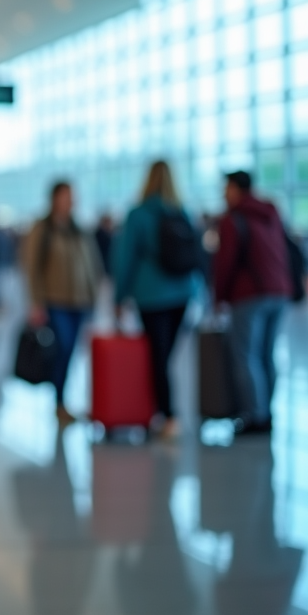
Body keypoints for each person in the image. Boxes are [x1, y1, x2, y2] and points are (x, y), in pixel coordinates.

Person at [112, 161, 196, 440]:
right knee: (167, 354)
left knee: (157, 356)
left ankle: (165, 413)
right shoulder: (182, 211)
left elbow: (126, 259)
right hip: (183, 292)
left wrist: (119, 296)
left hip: (152, 293)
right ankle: (164, 411)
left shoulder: (138, 214)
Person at [213, 170, 291, 436]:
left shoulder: (232, 219)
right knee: (267, 354)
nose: (223, 193)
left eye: (226, 187)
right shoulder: (271, 213)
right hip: (279, 291)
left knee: (245, 355)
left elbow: (226, 263)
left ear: (236, 189)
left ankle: (254, 415)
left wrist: (218, 296)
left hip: (249, 294)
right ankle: (266, 412)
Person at [22, 180, 103, 426]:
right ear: (55, 198)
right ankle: (59, 401)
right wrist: (36, 302)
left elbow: (92, 265)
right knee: (63, 348)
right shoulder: (43, 229)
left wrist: (93, 298)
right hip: (55, 301)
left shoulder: (78, 230)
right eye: (66, 196)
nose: (71, 201)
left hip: (79, 301)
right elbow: (31, 266)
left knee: (69, 352)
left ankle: (61, 400)